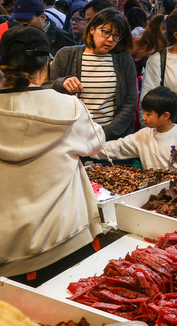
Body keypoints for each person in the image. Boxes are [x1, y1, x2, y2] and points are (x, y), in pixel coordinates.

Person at [0, 24, 105, 280]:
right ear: (45, 66)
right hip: (65, 243)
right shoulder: (69, 107)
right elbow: (96, 142)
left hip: (7, 255)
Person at [51, 8, 137, 140]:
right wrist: (63, 82)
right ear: (92, 29)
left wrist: (105, 132)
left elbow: (130, 102)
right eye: (106, 32)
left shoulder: (123, 60)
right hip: (72, 136)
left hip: (110, 138)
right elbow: (50, 89)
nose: (110, 40)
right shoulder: (66, 55)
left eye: (116, 36)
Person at [94, 86, 177, 170]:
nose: (144, 118)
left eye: (148, 114)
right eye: (144, 113)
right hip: (151, 186)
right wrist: (88, 148)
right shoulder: (143, 135)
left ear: (166, 116)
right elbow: (117, 147)